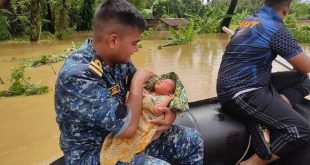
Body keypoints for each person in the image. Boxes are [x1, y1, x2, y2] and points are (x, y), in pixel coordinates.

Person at [54, 0, 204, 164]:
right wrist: (137, 81)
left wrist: (171, 113)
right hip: (93, 153)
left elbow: (153, 89)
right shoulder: (78, 75)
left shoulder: (119, 60)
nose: (137, 49)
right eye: (134, 43)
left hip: (125, 140)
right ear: (113, 41)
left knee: (192, 139)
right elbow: (127, 128)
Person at [216, 0, 310, 165]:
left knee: (302, 80)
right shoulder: (276, 28)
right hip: (240, 92)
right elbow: (305, 66)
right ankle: (251, 163)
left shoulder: (247, 21)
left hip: (251, 82)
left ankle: (274, 108)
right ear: (286, 11)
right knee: (301, 130)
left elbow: (302, 73)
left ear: (261, 3)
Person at [101, 79, 176, 164]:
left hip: (147, 122)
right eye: (162, 80)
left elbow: (157, 109)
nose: (161, 81)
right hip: (125, 126)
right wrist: (139, 80)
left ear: (170, 93)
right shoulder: (148, 91)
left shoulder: (164, 98)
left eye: (166, 83)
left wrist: (171, 109)